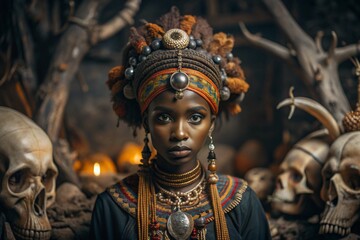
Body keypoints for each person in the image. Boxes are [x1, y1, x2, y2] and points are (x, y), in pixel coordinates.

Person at [90, 7, 270, 240]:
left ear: (211, 123)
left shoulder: (241, 201)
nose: (180, 133)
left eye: (195, 117)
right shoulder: (112, 207)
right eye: (164, 117)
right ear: (147, 122)